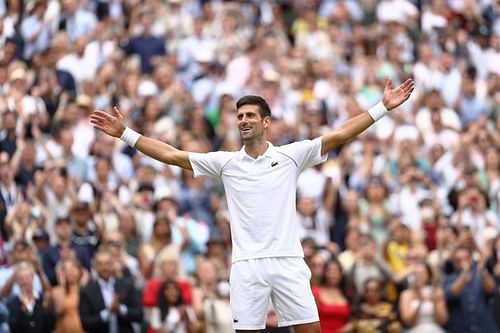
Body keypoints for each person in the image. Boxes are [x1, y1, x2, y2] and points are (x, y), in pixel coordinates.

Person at [90, 79, 414, 332]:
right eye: (239, 116)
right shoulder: (225, 163)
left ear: (266, 122)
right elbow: (172, 155)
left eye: (250, 116)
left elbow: (339, 134)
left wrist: (382, 108)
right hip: (246, 265)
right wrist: (126, 134)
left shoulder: (291, 155)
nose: (243, 120)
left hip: (288, 261)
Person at [78, 248, 143, 333]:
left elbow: (139, 315)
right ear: (95, 266)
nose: (104, 267)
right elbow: (85, 323)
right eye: (100, 264)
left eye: (107, 263)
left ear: (113, 264)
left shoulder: (127, 286)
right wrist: (107, 313)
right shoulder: (87, 291)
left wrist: (120, 309)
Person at [398, 261, 448, 333]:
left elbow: (443, 320)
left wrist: (434, 301)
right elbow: (408, 322)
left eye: (422, 273)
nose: (418, 276)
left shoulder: (437, 292)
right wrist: (420, 302)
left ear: (429, 276)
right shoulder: (406, 294)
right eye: (415, 273)